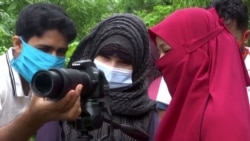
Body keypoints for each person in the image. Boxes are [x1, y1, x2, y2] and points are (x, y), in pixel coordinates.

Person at [36, 13, 158, 141]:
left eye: (123, 62)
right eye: (105, 57)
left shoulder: (147, 114)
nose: (112, 67)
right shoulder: (66, 100)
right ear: (92, 54)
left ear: (138, 68)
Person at [149, 7, 250, 141]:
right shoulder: (193, 101)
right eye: (159, 52)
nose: (161, 61)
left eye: (167, 51)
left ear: (199, 52)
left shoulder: (221, 122)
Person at [0, 2, 83, 141]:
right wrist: (33, 119)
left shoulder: (45, 80)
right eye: (44, 50)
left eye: (61, 51)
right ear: (18, 44)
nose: (53, 59)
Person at [208, 0, 250, 99]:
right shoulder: (196, 67)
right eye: (214, 40)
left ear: (246, 36)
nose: (220, 47)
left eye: (229, 41)